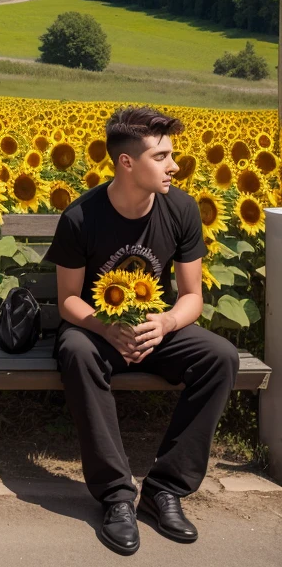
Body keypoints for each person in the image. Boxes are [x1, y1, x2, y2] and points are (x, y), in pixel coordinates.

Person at [46, 105, 238, 556]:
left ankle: (164, 489)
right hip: (98, 331)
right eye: (162, 156)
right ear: (126, 163)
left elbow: (192, 295)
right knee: (76, 351)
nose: (175, 165)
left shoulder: (182, 208)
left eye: (173, 154)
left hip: (157, 328)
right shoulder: (81, 217)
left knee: (220, 357)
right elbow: (68, 300)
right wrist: (105, 326)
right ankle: (116, 497)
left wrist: (166, 322)